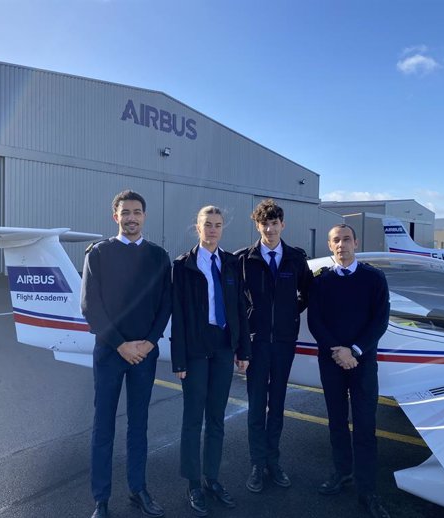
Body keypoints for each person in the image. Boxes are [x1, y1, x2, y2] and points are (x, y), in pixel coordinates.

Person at [81, 190, 171, 518]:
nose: (131, 217)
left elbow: (165, 304)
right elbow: (91, 306)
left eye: (137, 212)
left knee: (139, 425)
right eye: (125, 212)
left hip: (144, 355)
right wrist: (120, 344)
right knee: (103, 426)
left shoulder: (159, 257)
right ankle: (101, 499)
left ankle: (138, 489)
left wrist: (148, 342)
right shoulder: (99, 253)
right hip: (109, 352)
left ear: (144, 216)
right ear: (115, 216)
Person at [171, 205, 252, 517]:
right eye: (208, 224)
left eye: (218, 225)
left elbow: (239, 311)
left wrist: (243, 351)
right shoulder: (183, 265)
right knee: (193, 418)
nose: (213, 230)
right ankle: (193, 483)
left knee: (216, 418)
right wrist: (179, 358)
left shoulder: (232, 263)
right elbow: (177, 315)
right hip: (194, 350)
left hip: (222, 349)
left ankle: (212, 478)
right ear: (197, 227)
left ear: (223, 228)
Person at [307, 224, 391, 518]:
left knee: (366, 427)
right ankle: (341, 473)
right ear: (330, 246)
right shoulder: (320, 282)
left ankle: (368, 490)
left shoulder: (374, 278)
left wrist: (354, 350)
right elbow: (315, 321)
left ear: (355, 242)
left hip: (363, 362)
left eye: (346, 239)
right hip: (331, 361)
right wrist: (337, 352)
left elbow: (380, 321)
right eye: (335, 241)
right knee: (337, 422)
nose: (341, 245)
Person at [236, 199, 312, 492]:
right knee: (257, 405)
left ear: (283, 224)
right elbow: (237, 302)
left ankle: (273, 461)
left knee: (277, 404)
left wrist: (289, 315)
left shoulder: (295, 258)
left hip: (283, 343)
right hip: (256, 344)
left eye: (274, 222)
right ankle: (257, 463)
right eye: (264, 223)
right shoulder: (245, 258)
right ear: (258, 226)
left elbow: (307, 293)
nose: (269, 228)